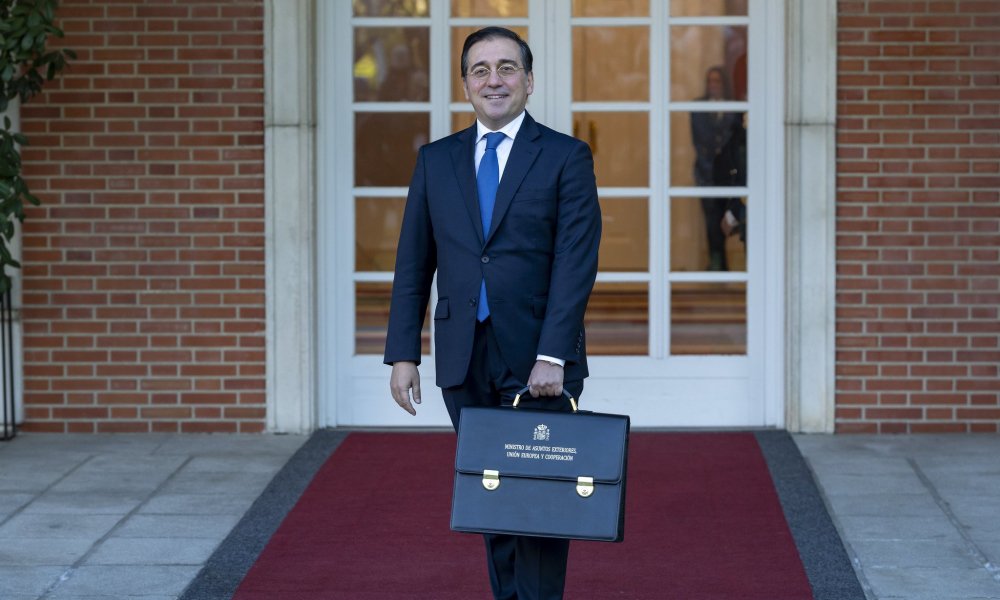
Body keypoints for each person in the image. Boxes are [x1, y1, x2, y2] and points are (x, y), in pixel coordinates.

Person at [383, 27, 601, 600]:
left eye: (507, 68)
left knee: (542, 500)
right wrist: (404, 353)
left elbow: (576, 263)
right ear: (465, 86)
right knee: (493, 492)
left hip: (539, 358)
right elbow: (413, 264)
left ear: (529, 81)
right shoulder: (435, 161)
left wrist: (553, 354)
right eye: (480, 70)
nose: (494, 80)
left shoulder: (565, 156)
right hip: (463, 357)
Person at [690, 66, 742, 271]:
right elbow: (700, 139)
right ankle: (717, 262)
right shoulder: (698, 107)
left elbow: (736, 138)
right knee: (711, 218)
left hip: (730, 173)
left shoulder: (734, 107)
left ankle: (724, 265)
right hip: (706, 172)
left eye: (717, 81)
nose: (713, 85)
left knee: (728, 216)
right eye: (710, 81)